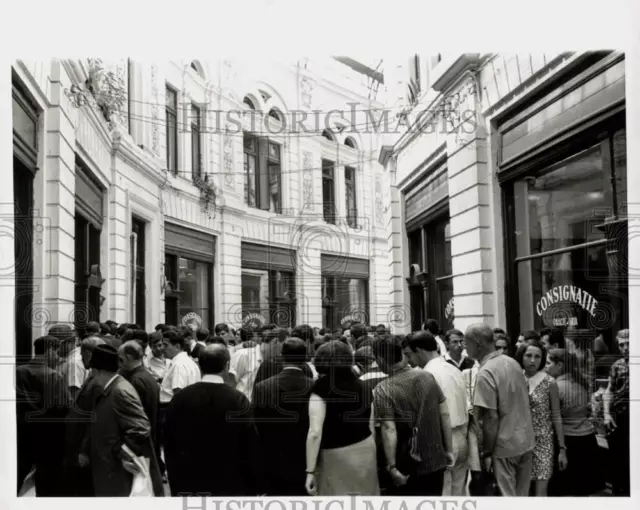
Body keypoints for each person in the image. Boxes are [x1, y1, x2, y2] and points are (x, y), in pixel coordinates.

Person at [164, 344, 263, 496]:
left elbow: (170, 442)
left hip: (190, 480)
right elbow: (250, 443)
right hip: (230, 481)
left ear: (199, 364)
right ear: (227, 365)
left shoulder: (180, 398)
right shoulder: (238, 400)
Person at [372, 335, 454, 496]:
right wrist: (449, 449)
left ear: (381, 359)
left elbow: (389, 429)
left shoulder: (383, 389)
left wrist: (392, 467)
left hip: (407, 466)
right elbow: (444, 414)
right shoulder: (426, 376)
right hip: (435, 460)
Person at [464, 323, 535, 497]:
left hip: (504, 446)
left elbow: (491, 418)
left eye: (467, 343)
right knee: (522, 498)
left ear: (478, 344)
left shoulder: (486, 372)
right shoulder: (513, 363)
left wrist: (487, 452)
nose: (465, 348)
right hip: (526, 441)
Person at [83, 344, 163, 496]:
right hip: (109, 466)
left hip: (118, 469)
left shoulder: (120, 390)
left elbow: (141, 427)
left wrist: (120, 451)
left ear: (96, 370)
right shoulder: (110, 387)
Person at [305, 341, 379, 496]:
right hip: (366, 449)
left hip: (336, 454)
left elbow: (315, 432)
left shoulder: (320, 388)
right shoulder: (363, 385)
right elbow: (370, 424)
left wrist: (310, 471)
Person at [402, 331, 468, 496]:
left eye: (409, 354)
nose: (408, 360)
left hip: (442, 438)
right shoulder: (453, 369)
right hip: (461, 434)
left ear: (419, 350)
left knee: (444, 494)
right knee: (458, 493)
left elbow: (435, 414)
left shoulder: (427, 375)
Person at [251, 338, 314, 495]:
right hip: (305, 459)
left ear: (282, 356)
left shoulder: (262, 387)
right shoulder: (315, 387)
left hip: (272, 459)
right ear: (305, 357)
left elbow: (256, 426)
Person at [16, 336, 71, 496]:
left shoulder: (18, 372)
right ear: (49, 351)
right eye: (56, 352)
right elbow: (64, 407)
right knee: (47, 485)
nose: (58, 357)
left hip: (22, 435)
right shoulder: (54, 376)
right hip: (49, 438)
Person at [546, 348, 601, 496]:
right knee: (582, 492)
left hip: (566, 442)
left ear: (560, 365)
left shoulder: (555, 386)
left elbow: (551, 418)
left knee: (563, 492)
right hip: (588, 441)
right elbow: (589, 411)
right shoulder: (581, 383)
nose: (546, 366)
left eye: (548, 362)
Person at [516, 340, 566, 496]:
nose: (532, 360)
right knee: (520, 491)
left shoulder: (549, 382)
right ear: (521, 357)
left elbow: (556, 415)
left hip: (543, 442)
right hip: (519, 441)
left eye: (537, 356)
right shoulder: (515, 379)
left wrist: (562, 448)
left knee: (541, 492)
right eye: (528, 355)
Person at [118, 341, 160, 458]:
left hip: (140, 440)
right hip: (148, 435)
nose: (119, 363)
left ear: (129, 357)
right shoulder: (145, 375)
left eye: (121, 359)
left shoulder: (136, 380)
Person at [603, 329, 630, 496]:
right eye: (622, 345)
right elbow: (609, 390)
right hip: (619, 416)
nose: (625, 348)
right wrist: (606, 413)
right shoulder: (617, 365)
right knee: (618, 458)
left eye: (629, 344)